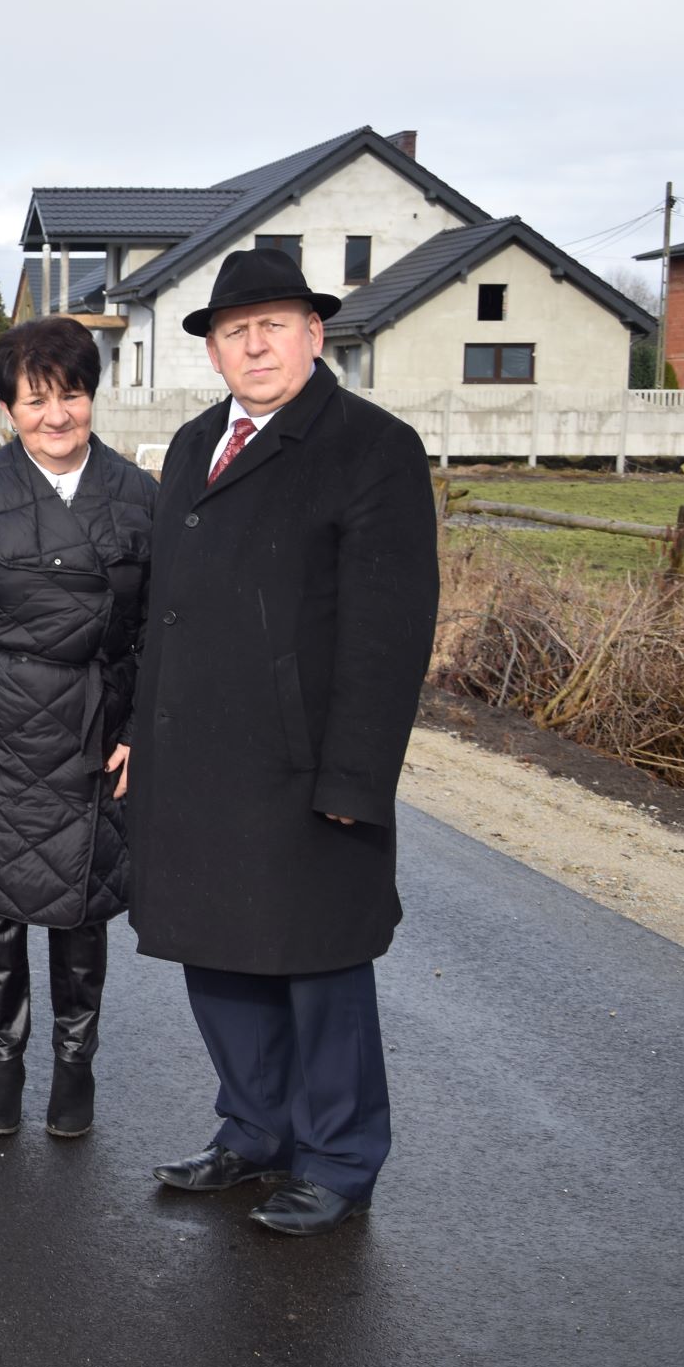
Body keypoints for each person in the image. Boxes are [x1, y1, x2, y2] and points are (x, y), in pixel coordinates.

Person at [128, 247, 438, 1236]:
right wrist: (140, 736)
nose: (252, 344)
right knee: (217, 957)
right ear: (211, 351)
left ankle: (338, 1158)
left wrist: (353, 775)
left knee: (316, 965)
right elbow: (159, 611)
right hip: (193, 761)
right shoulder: (187, 446)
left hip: (301, 766)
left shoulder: (367, 446)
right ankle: (251, 1132)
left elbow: (388, 632)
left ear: (313, 333)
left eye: (271, 324)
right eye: (232, 330)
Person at [0, 316, 155, 1138]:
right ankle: (1, 1061)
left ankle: (75, 1066)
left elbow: (162, 625)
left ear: (92, 396)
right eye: (36, 399)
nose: (56, 415)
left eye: (72, 395)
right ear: (9, 407)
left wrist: (143, 726)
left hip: (96, 732)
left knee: (82, 913)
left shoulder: (137, 495)